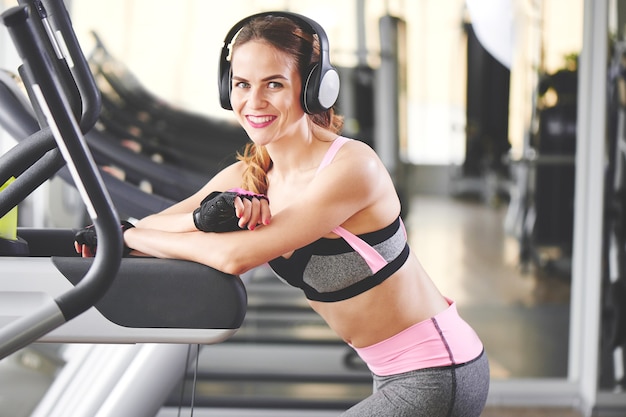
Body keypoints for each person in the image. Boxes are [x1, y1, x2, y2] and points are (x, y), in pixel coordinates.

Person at [75, 11, 489, 416]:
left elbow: (233, 257)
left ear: (312, 90)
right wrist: (194, 220)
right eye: (241, 84)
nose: (253, 101)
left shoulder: (351, 168)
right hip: (391, 372)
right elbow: (157, 224)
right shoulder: (250, 174)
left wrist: (128, 237)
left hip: (437, 371)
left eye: (273, 84)